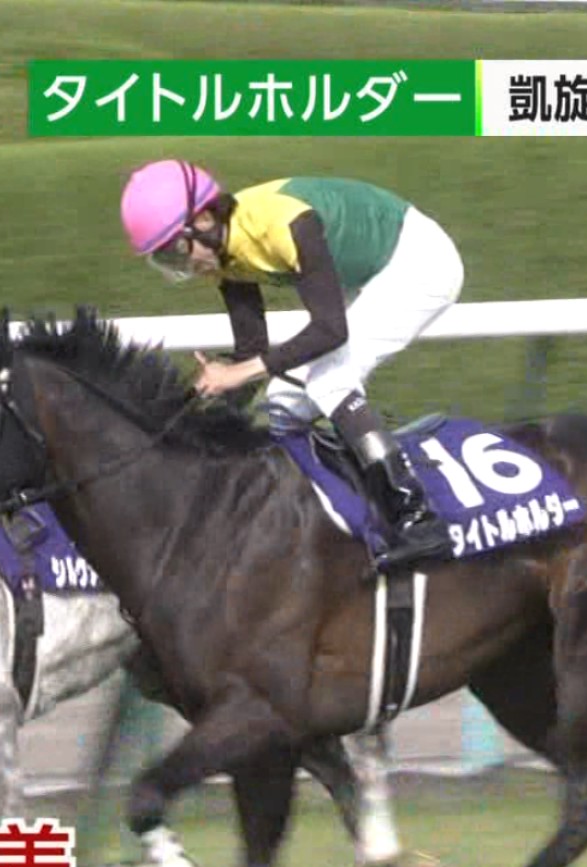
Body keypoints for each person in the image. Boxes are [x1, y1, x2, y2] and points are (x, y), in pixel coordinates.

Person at [118, 159, 463, 572]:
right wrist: (190, 415)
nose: (184, 267)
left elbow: (329, 331)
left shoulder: (283, 224)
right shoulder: (221, 254)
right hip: (372, 274)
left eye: (176, 251)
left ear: (204, 219)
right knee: (282, 400)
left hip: (419, 263)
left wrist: (238, 373)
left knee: (330, 380)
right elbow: (251, 351)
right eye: (166, 258)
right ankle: (331, 507)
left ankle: (419, 520)